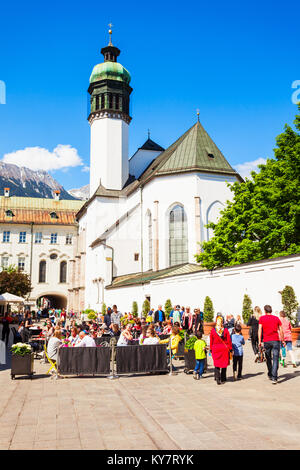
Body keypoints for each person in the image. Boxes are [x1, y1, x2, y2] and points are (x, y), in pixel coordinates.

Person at [258, 305, 285, 384]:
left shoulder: (262, 318)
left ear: (265, 311)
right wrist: (283, 340)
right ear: (271, 311)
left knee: (268, 358)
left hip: (266, 341)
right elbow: (281, 329)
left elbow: (260, 330)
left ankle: (271, 373)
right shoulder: (276, 318)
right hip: (275, 340)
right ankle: (274, 377)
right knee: (276, 358)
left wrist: (259, 341)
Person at [210, 315, 232, 385]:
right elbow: (229, 340)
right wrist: (230, 349)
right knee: (223, 364)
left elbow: (211, 341)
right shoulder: (225, 330)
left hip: (215, 349)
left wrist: (211, 349)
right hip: (224, 349)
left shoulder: (213, 331)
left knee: (217, 364)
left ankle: (217, 377)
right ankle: (223, 378)